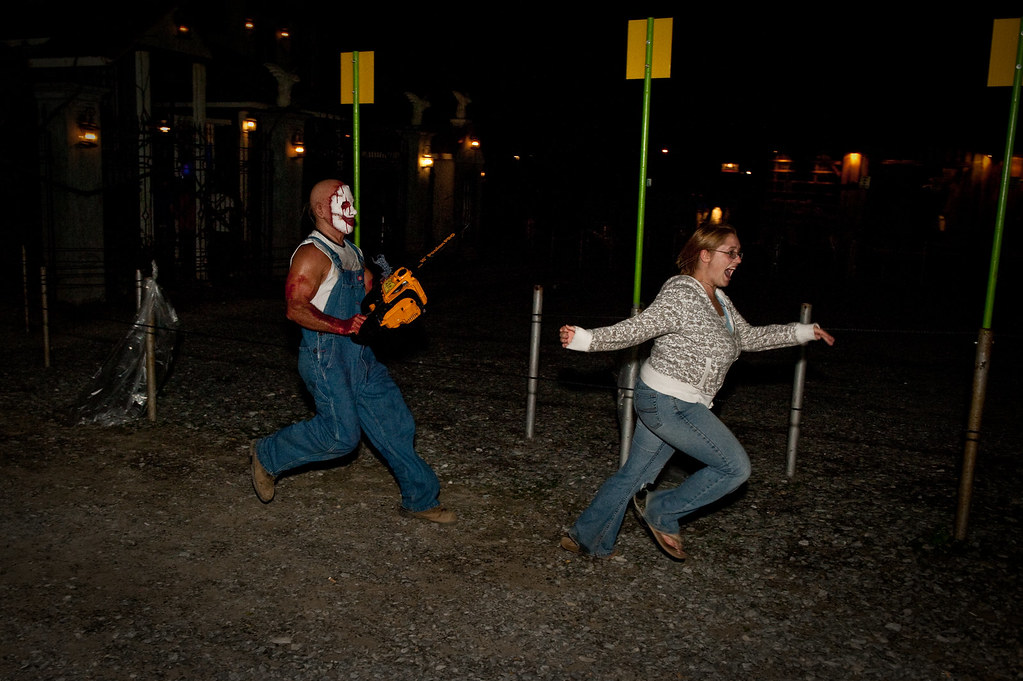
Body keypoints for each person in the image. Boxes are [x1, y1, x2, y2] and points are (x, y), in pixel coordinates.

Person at [558, 221, 834, 559]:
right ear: (704, 254)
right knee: (734, 468)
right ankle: (662, 510)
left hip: (669, 401)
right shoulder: (682, 293)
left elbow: (749, 338)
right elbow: (640, 328)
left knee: (636, 473)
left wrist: (803, 333)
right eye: (730, 252)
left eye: (739, 253)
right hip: (669, 403)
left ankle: (586, 535)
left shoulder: (719, 300)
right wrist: (585, 339)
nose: (738, 259)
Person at [250, 179, 455, 524]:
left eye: (353, 204)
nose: (354, 211)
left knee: (395, 422)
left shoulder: (354, 252)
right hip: (325, 358)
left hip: (361, 356)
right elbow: (295, 308)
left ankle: (420, 500)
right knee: (340, 436)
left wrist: (393, 294)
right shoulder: (310, 254)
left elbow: (372, 295)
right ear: (320, 210)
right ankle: (268, 454)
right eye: (345, 205)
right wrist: (342, 325)